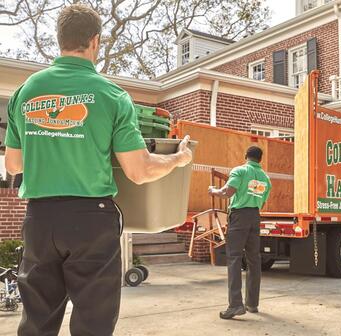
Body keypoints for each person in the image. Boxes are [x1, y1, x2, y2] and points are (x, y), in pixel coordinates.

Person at [4, 4, 192, 335]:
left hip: (40, 219)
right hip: (91, 219)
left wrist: (49, 142)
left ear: (58, 40)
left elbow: (14, 164)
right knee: (94, 323)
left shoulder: (26, 92)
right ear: (95, 41)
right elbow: (139, 171)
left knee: (36, 323)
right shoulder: (112, 96)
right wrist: (178, 159)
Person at [208, 146, 271, 319]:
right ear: (260, 159)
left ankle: (235, 305)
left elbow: (227, 192)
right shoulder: (266, 178)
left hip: (239, 216)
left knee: (234, 258)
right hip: (254, 217)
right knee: (253, 259)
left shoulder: (240, 171)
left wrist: (213, 191)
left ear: (246, 156)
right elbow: (262, 202)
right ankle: (252, 303)